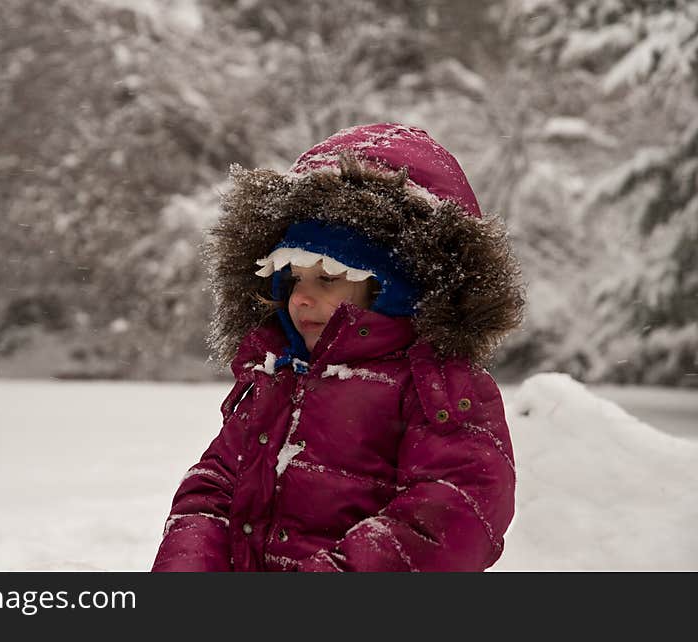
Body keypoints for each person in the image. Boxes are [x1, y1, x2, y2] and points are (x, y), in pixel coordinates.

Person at [151, 123, 525, 572]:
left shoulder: (436, 388)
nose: (300, 298)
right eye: (292, 280)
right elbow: (213, 488)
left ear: (393, 287)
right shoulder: (278, 376)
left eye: (326, 277)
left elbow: (451, 517)